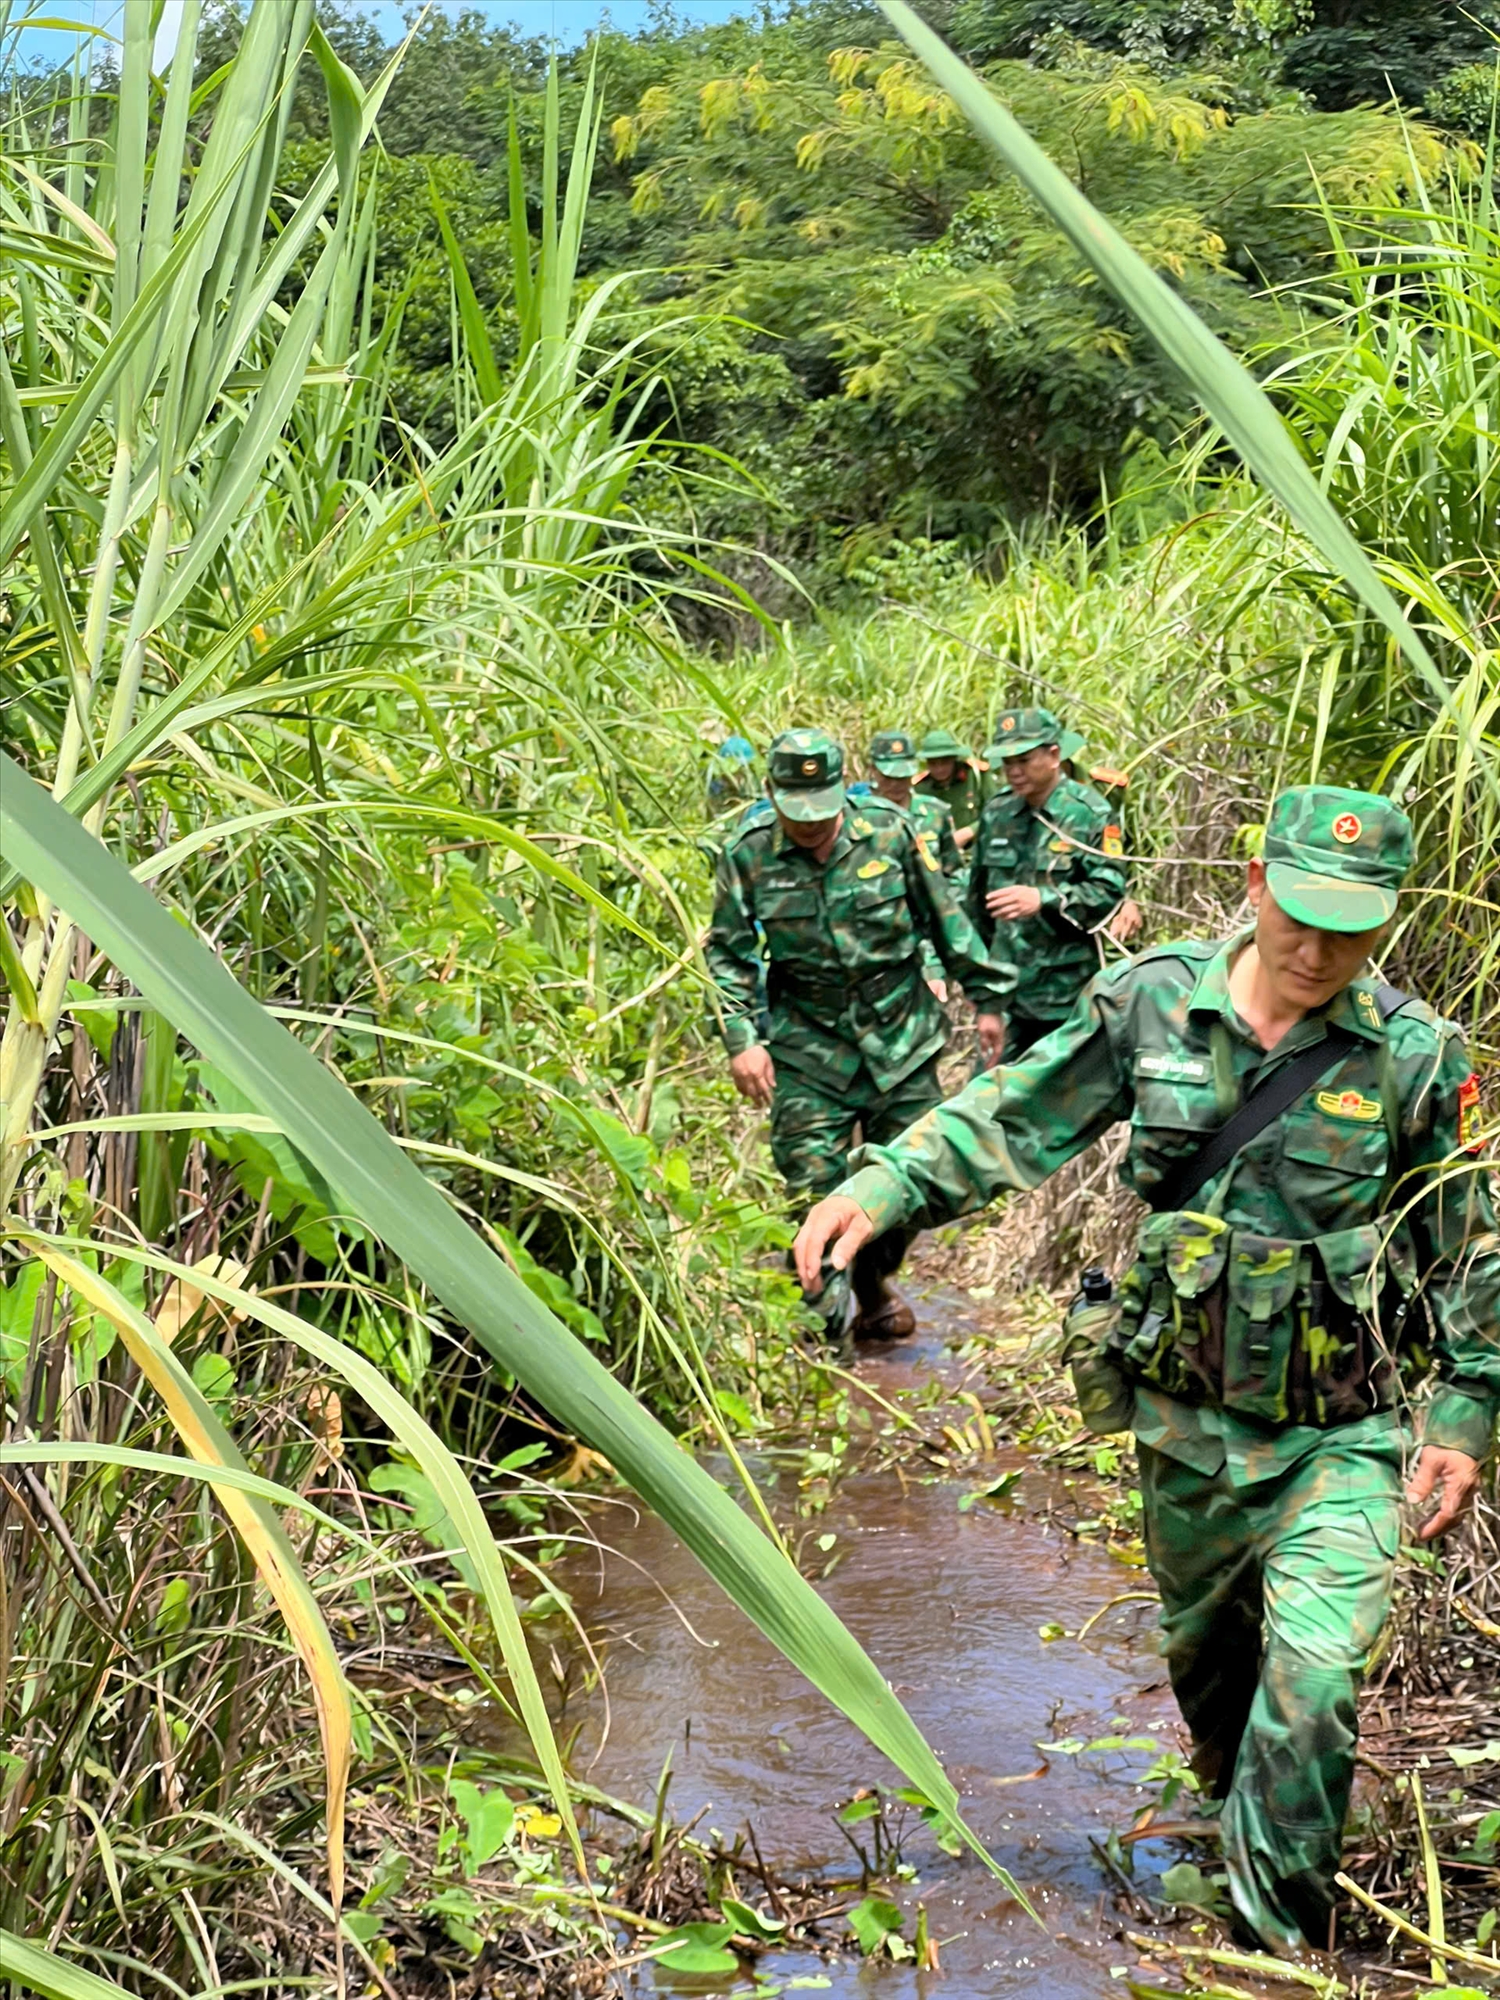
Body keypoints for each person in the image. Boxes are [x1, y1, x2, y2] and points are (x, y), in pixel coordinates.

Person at [793, 785, 1499, 1960]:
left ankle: (1271, 1946)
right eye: (1301, 916)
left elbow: (1473, 1244)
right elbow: (1014, 1113)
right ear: (1258, 882)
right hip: (1185, 1423)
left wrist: (1464, 1413)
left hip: (1343, 1433)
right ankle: (1241, 1819)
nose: (1320, 951)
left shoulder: (1417, 1061)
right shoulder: (1153, 1004)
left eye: (1353, 927)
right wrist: (888, 1184)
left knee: (1315, 1677)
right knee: (1215, 1684)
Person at [708, 727, 1014, 1339]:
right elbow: (728, 954)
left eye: (822, 813)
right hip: (808, 1046)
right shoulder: (747, 853)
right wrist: (742, 1040)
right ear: (774, 793)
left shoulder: (890, 833)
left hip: (900, 1041)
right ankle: (820, 1334)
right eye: (798, 816)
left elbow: (945, 921)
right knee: (811, 1187)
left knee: (909, 1187)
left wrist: (989, 1000)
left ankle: (873, 1283)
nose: (812, 829)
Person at [969, 706, 1129, 1060]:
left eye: (1024, 760)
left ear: (1054, 755)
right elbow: (976, 905)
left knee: (1063, 1105)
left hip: (1064, 997)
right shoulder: (997, 814)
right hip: (1007, 991)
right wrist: (984, 994)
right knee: (984, 1101)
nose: (1013, 771)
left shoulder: (1089, 813)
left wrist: (1044, 899)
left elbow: (1109, 892)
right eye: (1006, 762)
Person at [869, 728, 964, 1002]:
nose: (897, 783)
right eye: (889, 776)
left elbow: (953, 874)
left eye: (903, 775)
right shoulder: (857, 819)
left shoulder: (935, 813)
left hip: (933, 931)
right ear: (873, 770)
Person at [1060, 724, 1142, 945]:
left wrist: (1131, 900)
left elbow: (1137, 850)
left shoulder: (1108, 789)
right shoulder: (1019, 798)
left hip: (1112, 902)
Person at [916, 728, 993, 853]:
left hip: (978, 849)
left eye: (945, 762)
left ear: (954, 759)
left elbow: (995, 813)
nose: (939, 769)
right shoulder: (920, 788)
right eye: (933, 763)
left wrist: (969, 831)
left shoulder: (976, 776)